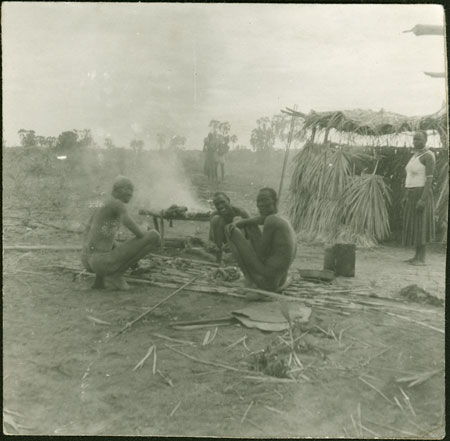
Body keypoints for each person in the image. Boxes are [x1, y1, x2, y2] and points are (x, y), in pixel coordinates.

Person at [81, 176, 160, 290]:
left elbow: (89, 231)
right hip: (101, 263)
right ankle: (117, 275)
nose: (131, 194)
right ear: (120, 190)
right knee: (154, 235)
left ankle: (99, 282)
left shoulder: (103, 203)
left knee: (111, 244)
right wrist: (145, 229)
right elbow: (139, 234)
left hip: (87, 261)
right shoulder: (117, 204)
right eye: (129, 191)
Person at [224, 187, 297, 292]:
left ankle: (249, 279)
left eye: (264, 200)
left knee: (230, 230)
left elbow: (261, 255)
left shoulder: (270, 221)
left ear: (275, 201)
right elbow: (260, 220)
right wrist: (242, 222)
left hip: (266, 282)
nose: (260, 204)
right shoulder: (281, 218)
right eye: (258, 201)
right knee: (244, 222)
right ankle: (252, 278)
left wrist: (244, 243)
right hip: (281, 279)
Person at [402, 130, 436, 265]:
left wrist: (423, 199)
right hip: (411, 193)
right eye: (414, 139)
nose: (415, 142)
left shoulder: (429, 156)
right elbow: (410, 176)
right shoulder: (415, 155)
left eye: (419, 139)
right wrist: (406, 194)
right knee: (416, 225)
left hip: (422, 192)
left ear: (426, 140)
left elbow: (429, 180)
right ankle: (416, 256)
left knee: (421, 224)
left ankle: (422, 258)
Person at [208, 192, 255, 263]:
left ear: (228, 200)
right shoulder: (214, 215)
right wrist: (213, 245)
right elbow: (211, 238)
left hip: (242, 244)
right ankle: (219, 257)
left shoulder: (241, 212)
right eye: (217, 204)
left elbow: (253, 235)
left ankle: (237, 256)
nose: (220, 206)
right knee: (216, 219)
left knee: (237, 219)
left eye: (223, 202)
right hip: (226, 245)